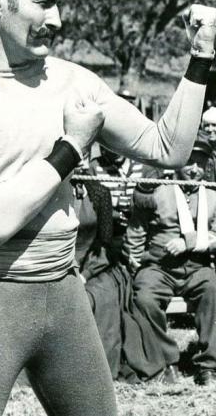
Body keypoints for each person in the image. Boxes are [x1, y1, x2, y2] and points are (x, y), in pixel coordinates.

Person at [0, 0, 216, 415]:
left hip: (63, 291)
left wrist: (199, 58)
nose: (57, 19)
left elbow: (168, 148)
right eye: (43, 2)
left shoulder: (70, 80)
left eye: (59, 4)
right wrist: (72, 147)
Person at [122, 139, 216, 385]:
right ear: (176, 162)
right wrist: (135, 263)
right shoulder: (154, 190)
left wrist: (191, 242)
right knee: (144, 298)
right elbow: (136, 231)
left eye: (200, 164)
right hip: (158, 267)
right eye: (189, 162)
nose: (194, 169)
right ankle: (165, 362)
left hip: (197, 267)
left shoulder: (214, 195)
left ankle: (210, 366)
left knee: (212, 288)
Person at [70, 162, 131, 379]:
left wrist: (85, 275)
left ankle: (100, 374)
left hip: (93, 266)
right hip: (56, 263)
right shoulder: (48, 192)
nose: (80, 164)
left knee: (103, 296)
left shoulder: (100, 193)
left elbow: (106, 245)